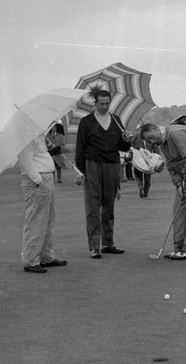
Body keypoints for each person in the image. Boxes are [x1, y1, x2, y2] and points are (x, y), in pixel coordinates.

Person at [142, 123, 186, 259]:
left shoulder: (176, 133)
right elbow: (171, 164)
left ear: (157, 129)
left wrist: (185, 182)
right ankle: (178, 248)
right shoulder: (163, 144)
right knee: (178, 209)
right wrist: (178, 184)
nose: (152, 142)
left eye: (151, 137)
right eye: (148, 141)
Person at [74, 89, 132, 259]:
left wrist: (126, 140)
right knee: (93, 206)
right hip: (92, 165)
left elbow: (122, 147)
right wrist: (82, 171)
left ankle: (108, 243)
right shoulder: (86, 122)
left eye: (107, 103)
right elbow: (79, 150)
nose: (105, 106)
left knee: (109, 205)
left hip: (112, 165)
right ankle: (94, 246)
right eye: (102, 103)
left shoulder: (116, 120)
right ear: (95, 103)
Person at [18, 134, 68, 273]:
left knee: (48, 219)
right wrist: (38, 181)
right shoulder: (25, 133)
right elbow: (25, 158)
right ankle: (30, 259)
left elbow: (39, 155)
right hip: (37, 180)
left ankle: (45, 256)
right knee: (36, 220)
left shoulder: (38, 133)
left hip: (46, 177)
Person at [131, 131, 155, 198]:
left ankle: (145, 193)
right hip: (138, 160)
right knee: (139, 176)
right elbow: (131, 144)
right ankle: (141, 188)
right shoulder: (136, 135)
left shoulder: (151, 138)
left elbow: (155, 148)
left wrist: (157, 157)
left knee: (147, 179)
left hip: (148, 161)